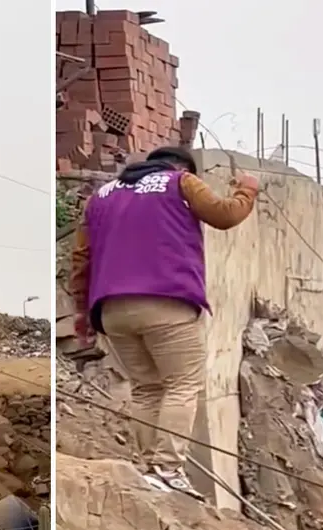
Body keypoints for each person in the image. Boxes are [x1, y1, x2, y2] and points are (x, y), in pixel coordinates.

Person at [69, 146, 259, 501]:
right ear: (179, 167)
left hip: (112, 309)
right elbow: (225, 214)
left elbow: (81, 258)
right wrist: (247, 188)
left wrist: (82, 314)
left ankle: (148, 468)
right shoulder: (180, 181)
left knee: (146, 389)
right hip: (165, 301)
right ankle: (168, 470)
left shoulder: (101, 197)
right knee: (183, 384)